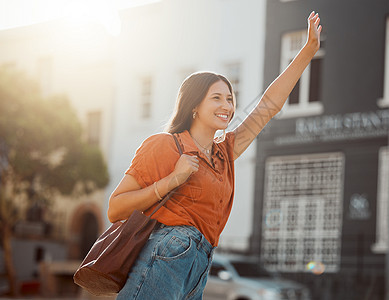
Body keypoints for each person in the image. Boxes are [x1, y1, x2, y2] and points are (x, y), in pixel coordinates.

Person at [108, 11, 322, 300]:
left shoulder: (224, 153)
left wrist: (307, 52)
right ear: (194, 106)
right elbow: (115, 209)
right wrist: (172, 179)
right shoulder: (165, 145)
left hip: (201, 261)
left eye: (230, 98)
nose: (227, 105)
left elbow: (268, 106)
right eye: (217, 98)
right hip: (168, 252)